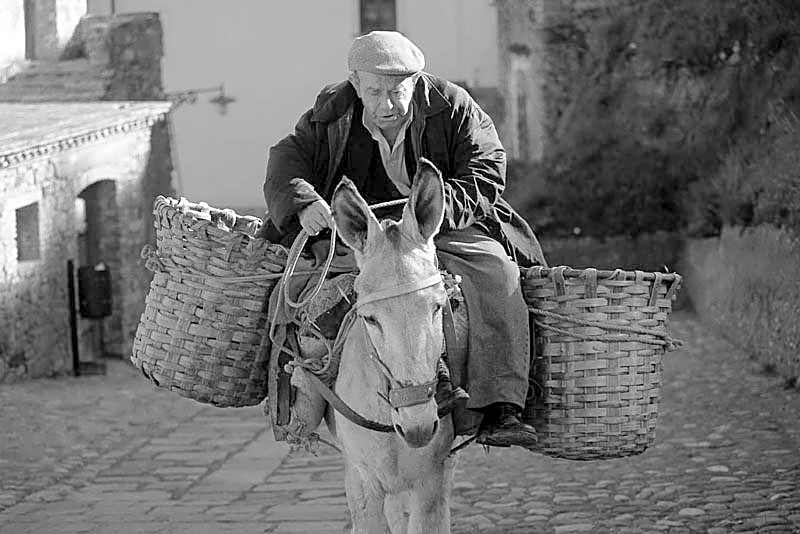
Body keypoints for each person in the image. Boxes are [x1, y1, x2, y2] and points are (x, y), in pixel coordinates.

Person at [262, 30, 546, 449]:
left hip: (439, 226)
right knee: (297, 286)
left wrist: (435, 213)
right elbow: (287, 159)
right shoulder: (332, 110)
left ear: (417, 81)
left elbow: (487, 168)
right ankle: (302, 394)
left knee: (496, 272)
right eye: (374, 91)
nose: (386, 104)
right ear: (356, 85)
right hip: (363, 234)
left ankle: (501, 404)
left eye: (397, 91)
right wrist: (304, 202)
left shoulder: (453, 106)